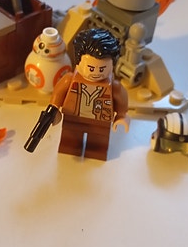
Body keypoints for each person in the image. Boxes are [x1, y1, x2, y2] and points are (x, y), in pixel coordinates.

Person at [50, 28, 130, 160]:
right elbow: (58, 93)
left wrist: (121, 116)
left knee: (98, 143)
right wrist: (54, 109)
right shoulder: (69, 79)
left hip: (100, 121)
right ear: (78, 63)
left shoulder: (114, 87)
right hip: (73, 117)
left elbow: (121, 99)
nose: (96, 73)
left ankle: (96, 150)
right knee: (70, 141)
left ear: (112, 65)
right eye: (91, 68)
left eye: (102, 69)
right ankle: (71, 147)